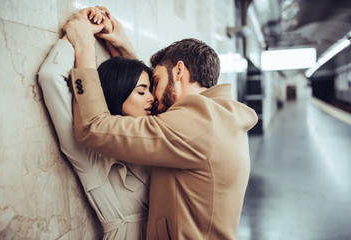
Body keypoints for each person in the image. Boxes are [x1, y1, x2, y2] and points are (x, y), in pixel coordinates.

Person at [64, 6, 258, 240]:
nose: (152, 96)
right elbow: (160, 126)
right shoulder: (217, 115)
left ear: (179, 71)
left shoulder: (199, 121)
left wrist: (84, 47)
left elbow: (93, 128)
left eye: (154, 82)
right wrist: (123, 46)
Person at [38, 7, 154, 239]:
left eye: (150, 90)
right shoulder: (91, 154)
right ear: (118, 96)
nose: (152, 98)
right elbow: (50, 77)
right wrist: (80, 41)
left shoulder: (152, 134)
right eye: (143, 92)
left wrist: (122, 45)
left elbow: (132, 84)